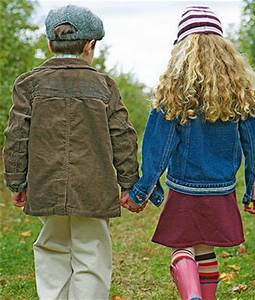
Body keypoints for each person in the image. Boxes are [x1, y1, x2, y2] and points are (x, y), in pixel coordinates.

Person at [121, 6, 255, 300]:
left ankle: (192, 296)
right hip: (221, 187)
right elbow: (252, 145)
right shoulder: (239, 92)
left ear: (181, 49)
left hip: (185, 187)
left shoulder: (173, 91)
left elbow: (157, 147)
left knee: (183, 248)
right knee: (205, 248)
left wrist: (143, 190)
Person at [2, 5, 139, 300]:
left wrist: (16, 181)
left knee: (51, 246)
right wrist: (129, 183)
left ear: (50, 43)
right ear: (90, 46)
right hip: (94, 188)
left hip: (45, 184)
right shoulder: (105, 85)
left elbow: (16, 135)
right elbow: (122, 136)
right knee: (92, 252)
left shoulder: (29, 83)